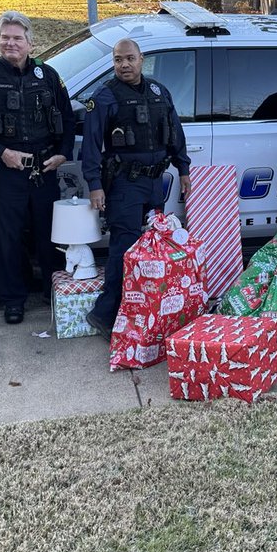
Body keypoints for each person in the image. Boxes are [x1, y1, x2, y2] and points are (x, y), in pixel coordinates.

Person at [0, 11, 74, 324]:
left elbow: (67, 118)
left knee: (50, 236)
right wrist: (0, 152)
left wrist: (63, 154)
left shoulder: (47, 75)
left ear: (30, 43)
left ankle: (55, 293)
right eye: (5, 37)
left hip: (44, 170)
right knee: (7, 237)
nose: (10, 43)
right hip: (5, 171)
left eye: (17, 38)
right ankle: (13, 300)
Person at [82, 38, 191, 335]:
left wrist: (183, 168)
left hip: (155, 183)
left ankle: (142, 310)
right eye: (118, 60)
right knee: (124, 249)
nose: (124, 65)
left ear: (142, 59)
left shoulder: (158, 91)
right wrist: (95, 185)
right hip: (124, 185)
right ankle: (106, 315)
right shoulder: (104, 96)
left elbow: (175, 132)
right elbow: (91, 146)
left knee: (150, 250)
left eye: (129, 58)